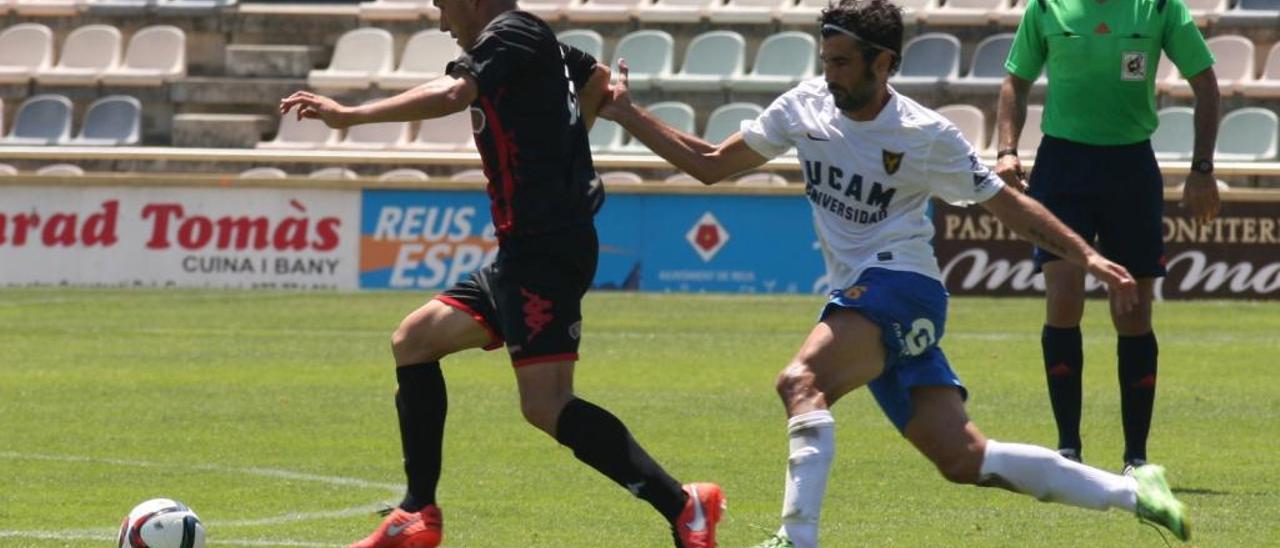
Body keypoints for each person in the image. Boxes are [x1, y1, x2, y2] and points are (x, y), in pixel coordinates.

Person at [597, 0, 1192, 546]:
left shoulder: (924, 133)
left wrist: (1084, 255)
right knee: (966, 460)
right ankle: (1136, 492)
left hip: (904, 287)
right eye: (826, 60)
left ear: (884, 63)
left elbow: (1008, 206)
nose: (830, 74)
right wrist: (625, 112)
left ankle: (795, 538)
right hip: (867, 294)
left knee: (800, 381)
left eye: (844, 62)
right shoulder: (804, 107)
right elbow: (709, 164)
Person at [280, 1, 724, 546]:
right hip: (521, 251)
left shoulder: (511, 32)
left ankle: (685, 505)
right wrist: (567, 153)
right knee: (415, 340)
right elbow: (597, 80)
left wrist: (349, 117)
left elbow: (452, 95)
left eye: (444, 7)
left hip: (546, 250)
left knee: (546, 404)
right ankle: (417, 514)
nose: (443, 24)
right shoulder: (539, 46)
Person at [995, 0, 1220, 472]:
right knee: (1063, 295)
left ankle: (1136, 457)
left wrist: (1202, 168)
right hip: (1062, 166)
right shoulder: (1047, 7)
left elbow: (1206, 84)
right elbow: (1016, 80)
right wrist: (1007, 150)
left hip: (1130, 167)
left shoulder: (1159, 7)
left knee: (1133, 308)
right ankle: (1067, 450)